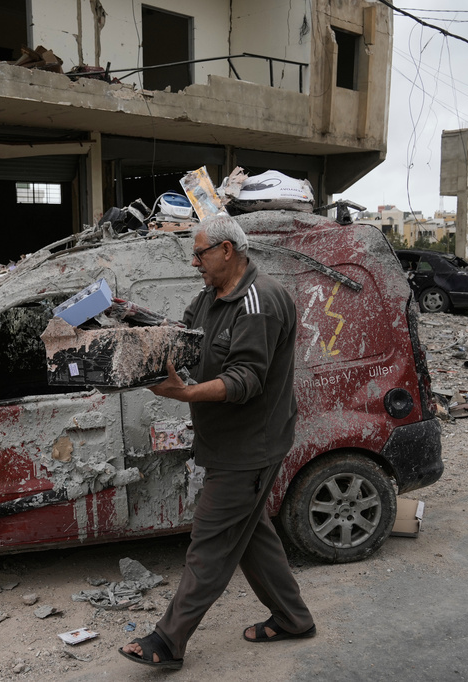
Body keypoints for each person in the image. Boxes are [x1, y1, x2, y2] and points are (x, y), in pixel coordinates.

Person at [119, 213, 315, 670]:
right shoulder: (211, 297)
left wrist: (184, 393)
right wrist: (133, 331)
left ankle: (168, 642)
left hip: (249, 449)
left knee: (209, 543)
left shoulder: (258, 303)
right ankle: (293, 618)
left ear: (227, 250)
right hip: (225, 442)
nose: (194, 263)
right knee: (249, 536)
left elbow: (245, 380)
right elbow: (185, 341)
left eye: (200, 253)